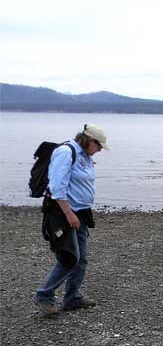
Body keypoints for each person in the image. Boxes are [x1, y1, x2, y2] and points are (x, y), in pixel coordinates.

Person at [34, 124, 109, 314]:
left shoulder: (84, 156)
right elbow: (57, 187)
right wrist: (69, 214)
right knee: (69, 257)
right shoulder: (66, 152)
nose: (99, 150)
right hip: (62, 213)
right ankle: (44, 296)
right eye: (98, 146)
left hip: (80, 213)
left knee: (81, 259)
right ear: (89, 141)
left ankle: (72, 297)